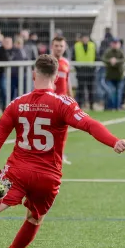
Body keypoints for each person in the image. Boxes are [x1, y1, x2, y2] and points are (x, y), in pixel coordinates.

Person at [0, 54, 125, 248]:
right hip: (47, 175)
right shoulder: (63, 103)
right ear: (56, 78)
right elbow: (89, 124)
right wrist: (114, 141)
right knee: (35, 218)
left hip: (16, 170)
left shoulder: (17, 104)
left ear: (33, 75)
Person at [50, 36, 73, 165]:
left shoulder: (66, 63)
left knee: (63, 130)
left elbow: (67, 81)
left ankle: (60, 155)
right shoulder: (46, 62)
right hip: (49, 101)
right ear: (52, 47)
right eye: (56, 46)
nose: (59, 48)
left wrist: (71, 98)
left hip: (62, 102)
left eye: (61, 46)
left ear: (65, 48)